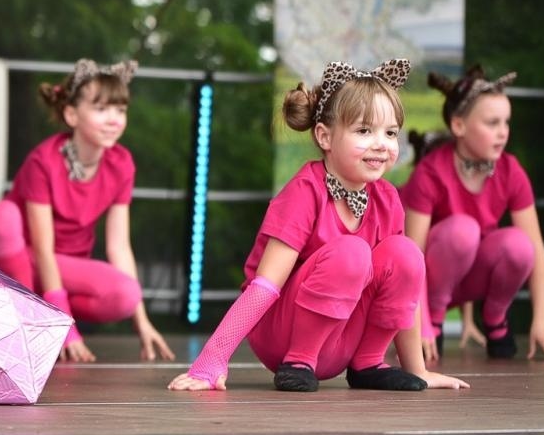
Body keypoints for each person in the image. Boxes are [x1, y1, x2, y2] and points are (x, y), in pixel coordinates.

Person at [169, 59, 466, 392]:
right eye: (364, 131)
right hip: (282, 337)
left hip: (341, 340)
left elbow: (403, 287)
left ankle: (368, 363)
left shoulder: (387, 198)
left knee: (407, 254)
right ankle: (300, 360)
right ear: (325, 136)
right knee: (352, 251)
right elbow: (265, 285)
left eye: (391, 132)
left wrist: (418, 371)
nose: (382, 143)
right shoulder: (305, 191)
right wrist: (213, 358)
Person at [0, 59, 172, 362]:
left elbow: (119, 247)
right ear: (71, 114)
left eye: (120, 110)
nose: (113, 119)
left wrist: (142, 322)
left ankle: (42, 312)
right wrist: (63, 326)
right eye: (101, 109)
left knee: (127, 294)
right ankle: (30, 322)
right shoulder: (44, 161)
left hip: (64, 270)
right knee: (1, 214)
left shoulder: (121, 164)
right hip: (20, 261)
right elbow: (42, 249)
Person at [406, 66, 544, 362]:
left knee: (521, 246)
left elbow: (537, 252)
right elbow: (412, 256)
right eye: (492, 123)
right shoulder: (430, 172)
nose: (503, 131)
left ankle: (495, 317)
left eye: (506, 122)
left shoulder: (511, 171)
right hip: (432, 283)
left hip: (472, 279)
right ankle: (436, 316)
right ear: (459, 126)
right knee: (463, 230)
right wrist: (420, 322)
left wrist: (542, 322)